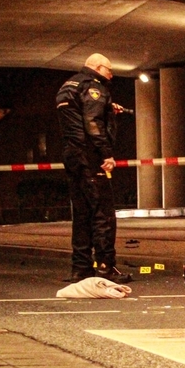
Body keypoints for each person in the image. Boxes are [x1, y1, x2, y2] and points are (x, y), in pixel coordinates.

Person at [55, 53, 131, 283]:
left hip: (72, 155)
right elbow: (92, 123)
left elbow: (80, 115)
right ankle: (106, 267)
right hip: (90, 155)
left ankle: (81, 268)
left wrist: (107, 109)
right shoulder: (94, 87)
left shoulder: (68, 85)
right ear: (97, 67)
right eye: (109, 70)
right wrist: (106, 154)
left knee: (81, 214)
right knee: (103, 214)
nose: (111, 74)